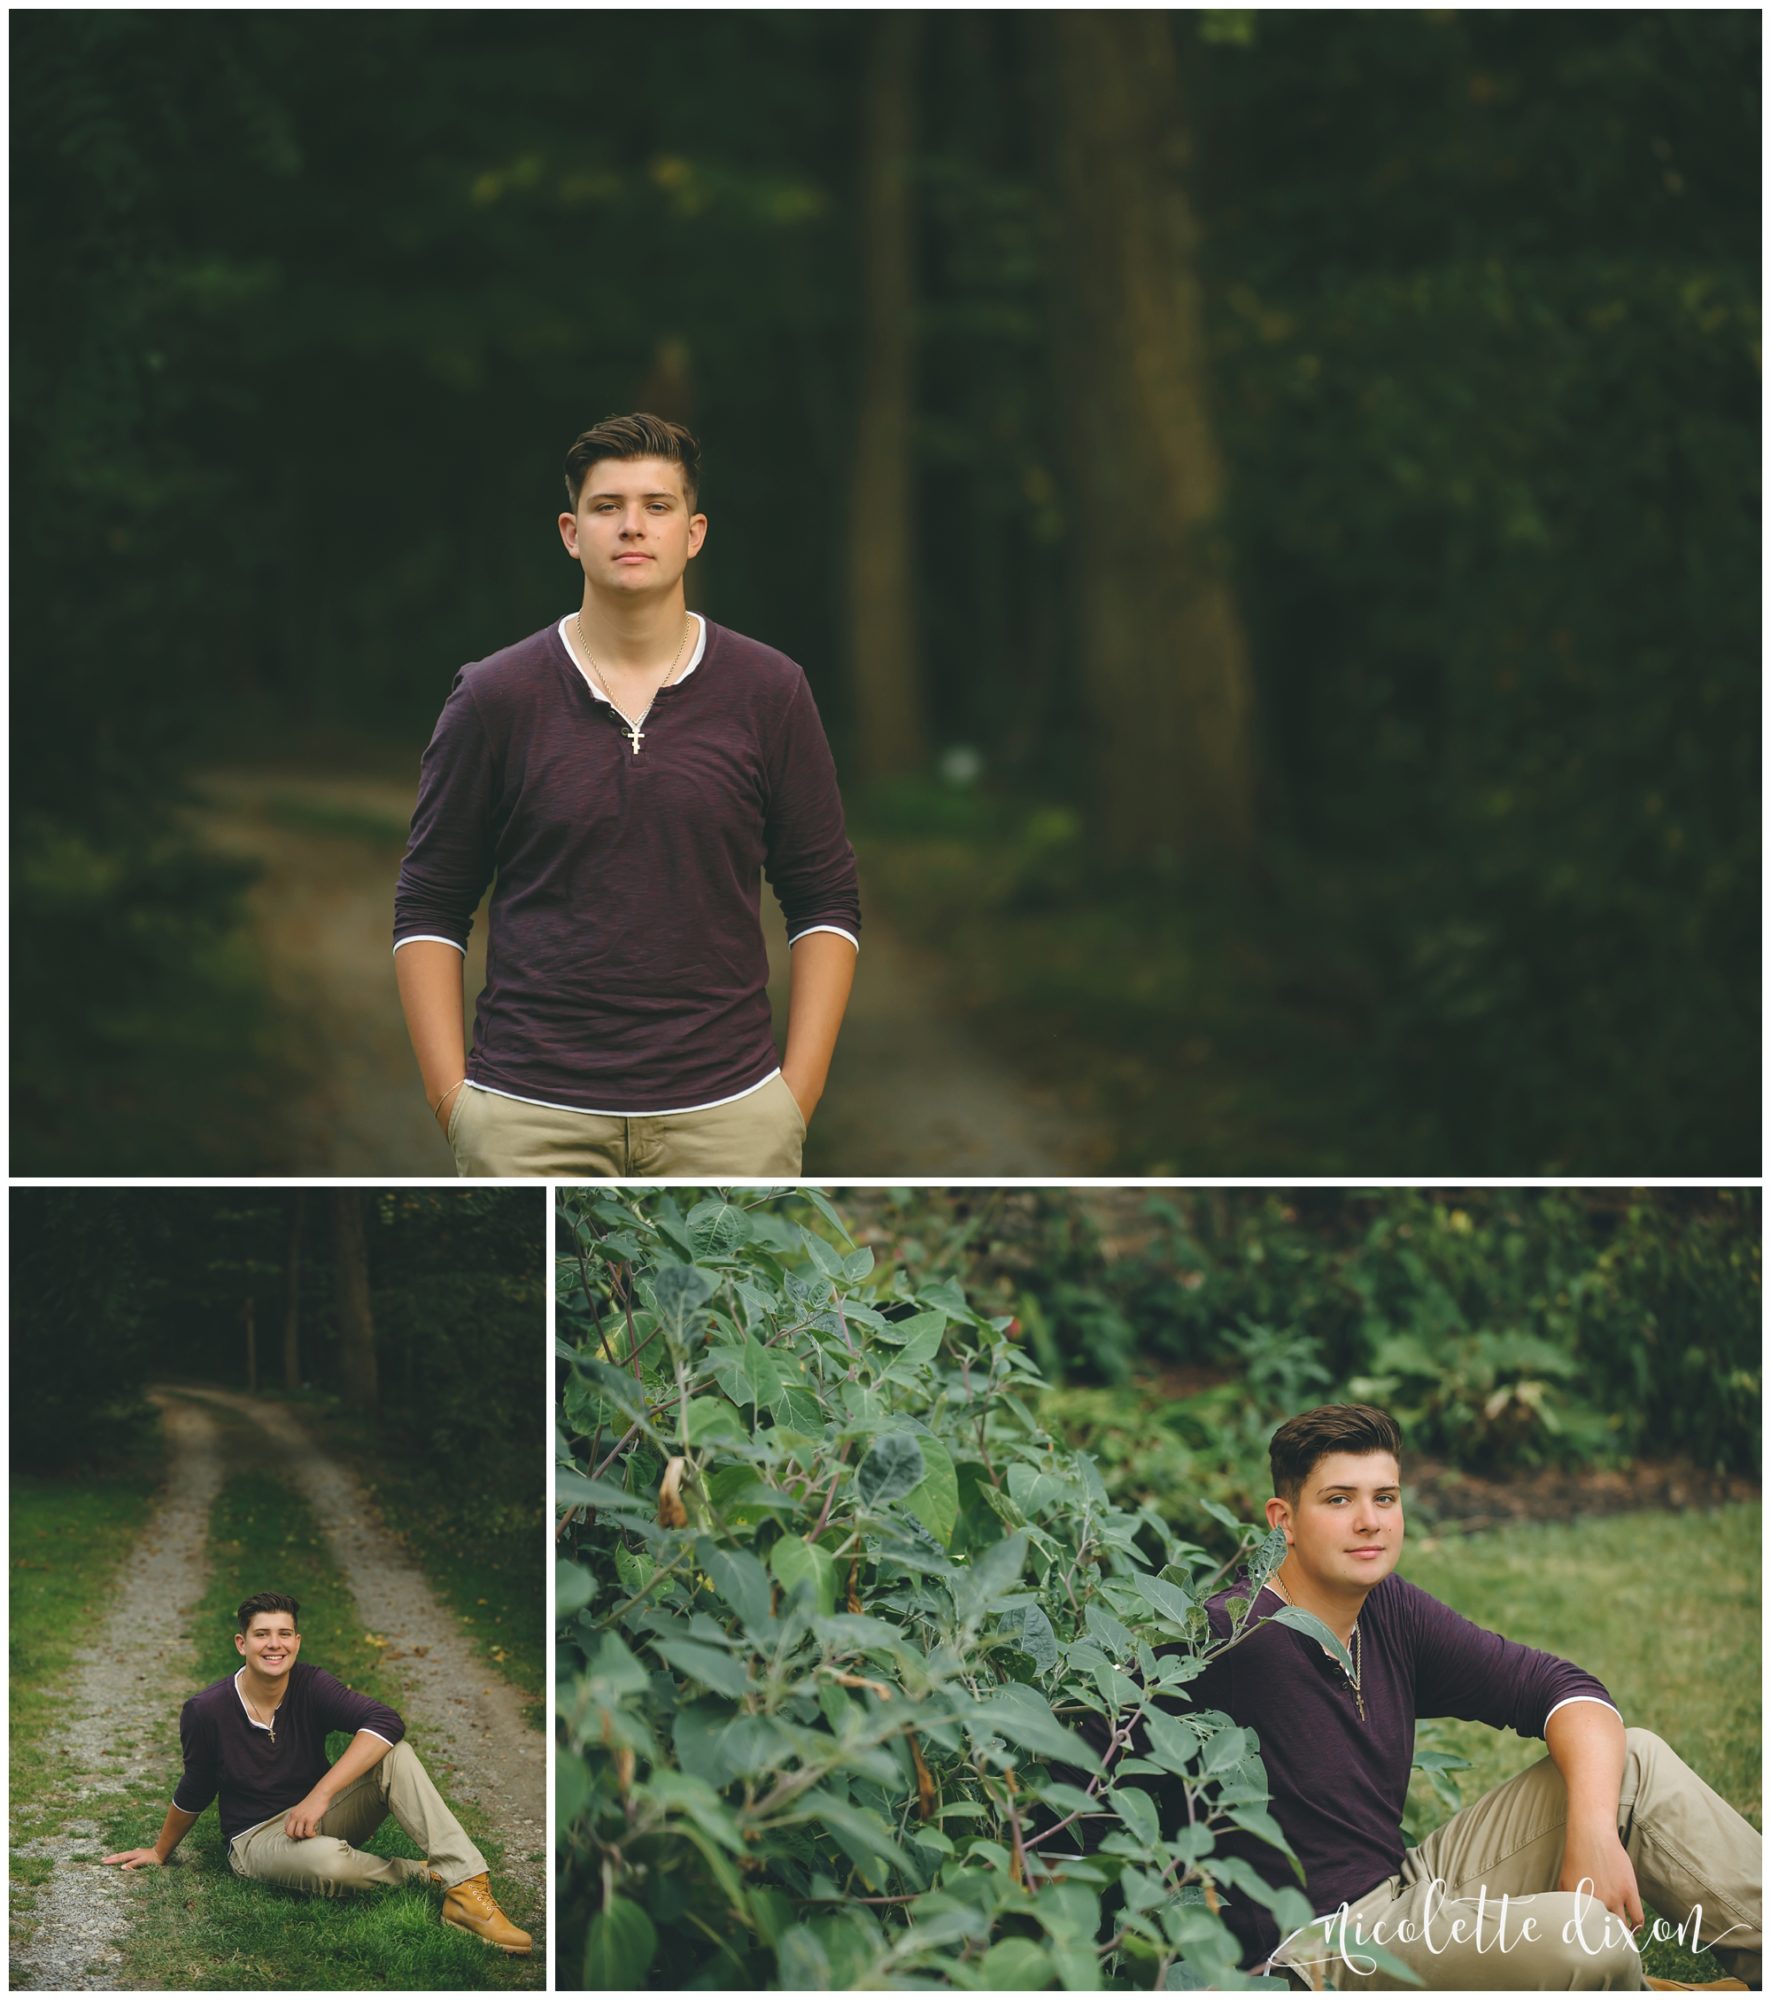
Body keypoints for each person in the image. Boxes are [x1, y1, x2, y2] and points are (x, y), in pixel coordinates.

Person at [1076, 1405, 1761, 1992]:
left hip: (1403, 1891)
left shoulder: (1387, 1610)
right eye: (1338, 1500)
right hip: (1315, 1951)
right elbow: (1084, 1756)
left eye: (1385, 1497)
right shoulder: (1227, 1639)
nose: (1369, 1521)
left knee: (1628, 1763)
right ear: (1282, 1518)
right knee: (1585, 1937)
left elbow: (1562, 1690)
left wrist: (1589, 1832)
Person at [393, 411, 860, 1178]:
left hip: (729, 1117)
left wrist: (792, 1101)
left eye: (657, 506)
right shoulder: (494, 697)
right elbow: (429, 905)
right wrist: (456, 1105)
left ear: (694, 532)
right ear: (572, 533)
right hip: (527, 1117)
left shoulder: (770, 692)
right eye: (607, 507)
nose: (631, 527)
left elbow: (824, 899)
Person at [101, 1592, 531, 1955]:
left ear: (297, 1641)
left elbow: (386, 1721)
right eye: (262, 1635)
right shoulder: (206, 1710)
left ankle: (466, 1888)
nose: (275, 1645)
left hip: (314, 1814)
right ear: (241, 1643)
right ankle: (427, 1875)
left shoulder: (310, 1684)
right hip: (255, 1839)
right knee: (329, 1863)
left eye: (284, 1634)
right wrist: (160, 1851)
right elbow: (196, 1785)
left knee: (395, 1755)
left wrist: (320, 1795)